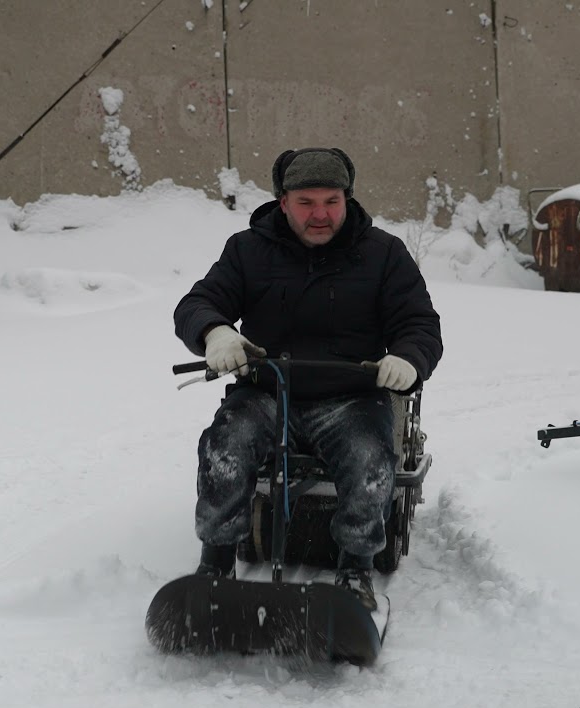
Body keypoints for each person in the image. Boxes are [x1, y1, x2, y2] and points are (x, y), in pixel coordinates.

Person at [173, 147, 443, 610]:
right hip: (266, 392)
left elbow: (419, 324)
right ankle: (215, 563)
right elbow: (197, 304)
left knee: (370, 458)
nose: (320, 214)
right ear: (283, 203)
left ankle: (355, 569)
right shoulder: (247, 250)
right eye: (306, 202)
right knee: (225, 445)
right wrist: (215, 332)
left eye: (331, 201)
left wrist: (408, 358)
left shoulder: (384, 254)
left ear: (347, 200)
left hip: (351, 399)